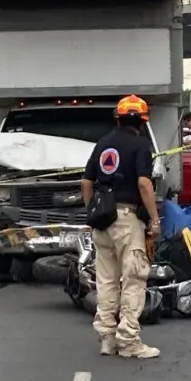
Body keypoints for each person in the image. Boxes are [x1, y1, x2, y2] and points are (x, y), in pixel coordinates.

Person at [81, 94, 161, 359]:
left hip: (102, 221)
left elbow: (86, 182)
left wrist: (91, 211)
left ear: (118, 118)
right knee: (134, 279)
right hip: (127, 220)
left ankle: (106, 338)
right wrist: (154, 219)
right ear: (141, 121)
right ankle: (128, 340)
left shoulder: (103, 144)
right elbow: (144, 184)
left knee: (105, 281)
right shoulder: (141, 145)